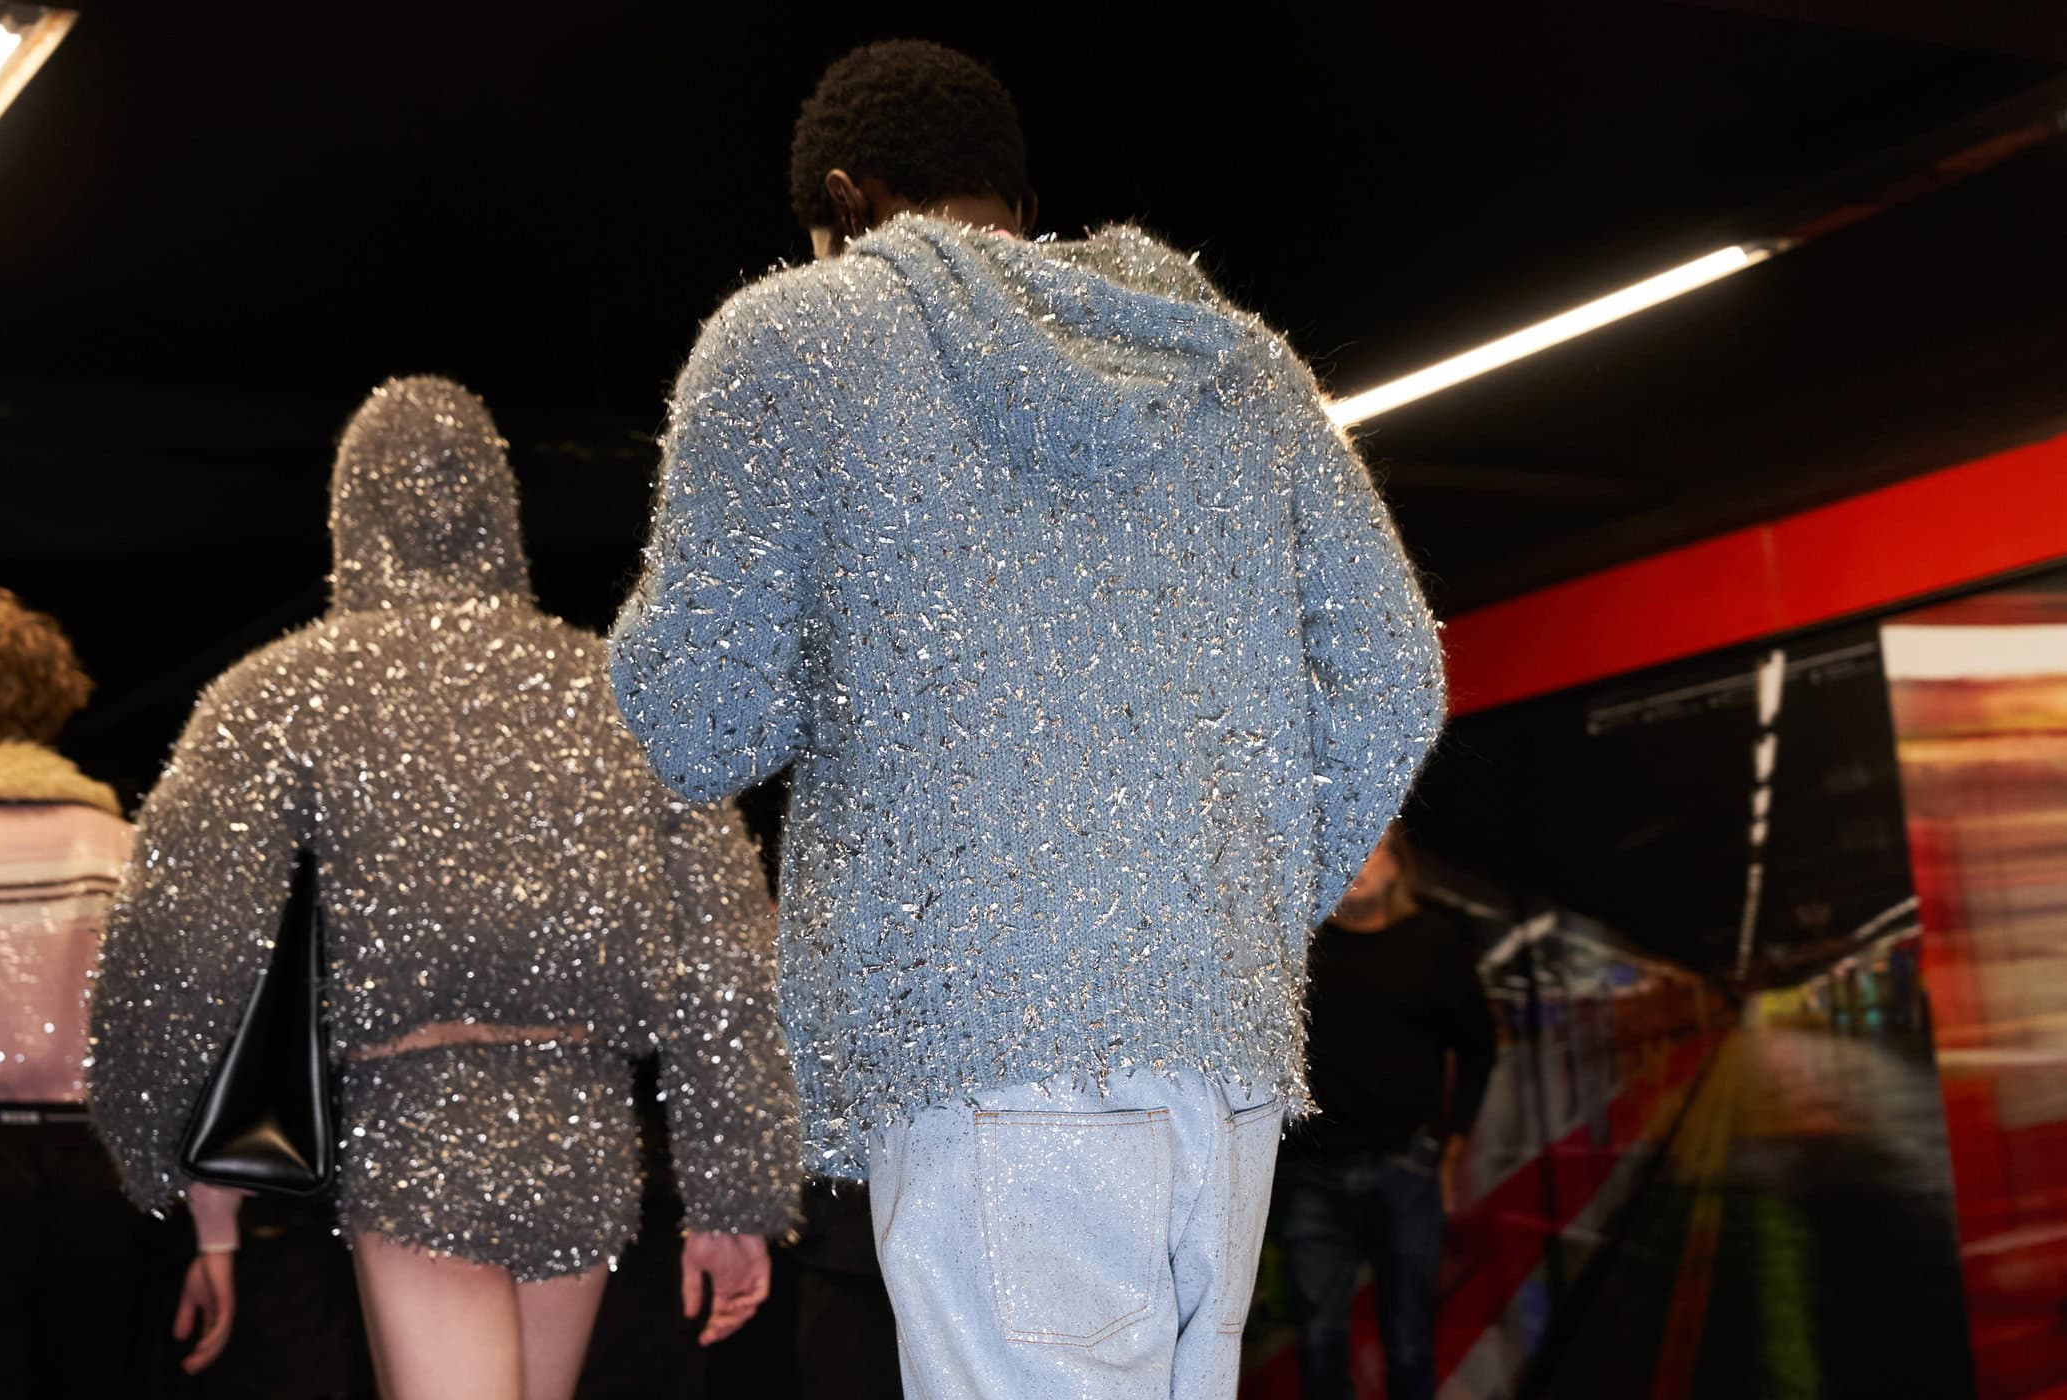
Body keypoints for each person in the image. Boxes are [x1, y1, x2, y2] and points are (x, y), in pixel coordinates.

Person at [609, 40, 1444, 1400]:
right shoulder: (1241, 366)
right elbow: (1398, 677)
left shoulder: (794, 338)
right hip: (1219, 1064)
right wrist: (1223, 910)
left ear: (843, 201)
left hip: (983, 1049)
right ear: (1019, 199)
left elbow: (697, 725)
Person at [89, 377, 802, 1400]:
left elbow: (179, 937)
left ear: (349, 513)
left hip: (414, 1118)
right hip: (582, 1124)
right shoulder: (616, 691)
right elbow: (728, 952)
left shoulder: (284, 692)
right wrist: (736, 1193)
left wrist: (151, 1140)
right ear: (502, 510)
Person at [0, 589, 177, 1398]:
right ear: (58, 699)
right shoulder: (126, 854)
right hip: (104, 1170)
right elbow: (180, 1044)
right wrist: (217, 1230)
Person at [1279, 823, 1498, 1400]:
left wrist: (1454, 1137)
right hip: (1309, 1173)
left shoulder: (1436, 944)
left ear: (1398, 867)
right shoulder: (1295, 951)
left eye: (1372, 848)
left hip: (1405, 1167)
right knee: (1318, 1340)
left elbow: (1478, 1048)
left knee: (1409, 1337)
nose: (1357, 861)